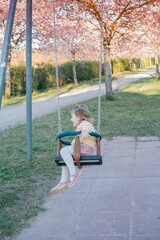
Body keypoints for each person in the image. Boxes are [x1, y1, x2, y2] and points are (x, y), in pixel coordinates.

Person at [50, 104, 96, 194]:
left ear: (78, 117)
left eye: (72, 117)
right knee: (64, 158)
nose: (71, 119)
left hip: (83, 148)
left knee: (63, 151)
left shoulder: (85, 124)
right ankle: (63, 182)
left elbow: (88, 127)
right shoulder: (81, 127)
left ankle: (74, 173)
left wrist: (85, 131)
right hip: (80, 148)